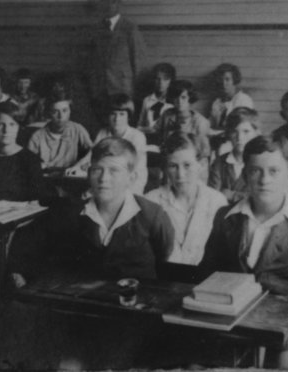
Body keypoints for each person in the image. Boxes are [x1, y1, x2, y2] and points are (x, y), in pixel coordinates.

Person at [200, 136, 288, 369]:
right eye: (255, 171)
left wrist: (284, 326)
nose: (264, 180)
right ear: (245, 176)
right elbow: (207, 275)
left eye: (274, 171)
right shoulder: (225, 218)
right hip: (234, 323)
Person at [51, 137, 174, 280]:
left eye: (114, 170)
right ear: (89, 173)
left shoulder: (152, 215)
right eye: (97, 169)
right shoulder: (72, 214)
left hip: (137, 297)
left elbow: (163, 255)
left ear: (131, 178)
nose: (104, 178)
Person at [145, 132, 227, 265]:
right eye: (173, 166)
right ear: (165, 168)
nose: (180, 175)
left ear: (202, 164)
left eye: (187, 165)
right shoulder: (151, 201)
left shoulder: (217, 202)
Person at [86, 0, 146, 119]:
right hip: (100, 91)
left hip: (123, 90)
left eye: (113, 1)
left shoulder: (130, 28)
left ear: (119, 3)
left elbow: (139, 62)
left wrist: (135, 93)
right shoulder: (96, 29)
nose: (109, 5)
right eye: (105, 1)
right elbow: (91, 62)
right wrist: (94, 87)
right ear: (101, 3)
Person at [84, 93, 148, 193]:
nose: (117, 119)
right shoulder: (103, 132)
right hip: (108, 180)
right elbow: (90, 157)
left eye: (122, 114)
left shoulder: (137, 136)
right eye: (113, 114)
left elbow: (138, 170)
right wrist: (76, 167)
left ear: (129, 117)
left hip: (131, 184)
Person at [27, 95, 92, 171]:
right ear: (49, 114)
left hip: (70, 175)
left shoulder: (77, 129)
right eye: (55, 112)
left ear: (70, 111)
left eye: (65, 110)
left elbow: (94, 150)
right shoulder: (37, 136)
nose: (61, 116)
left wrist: (80, 165)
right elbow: (28, 162)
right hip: (46, 176)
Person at [208, 107, 260, 202]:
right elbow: (212, 197)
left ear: (256, 133)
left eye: (246, 131)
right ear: (228, 134)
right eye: (234, 132)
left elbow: (259, 198)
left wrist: (230, 194)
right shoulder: (219, 163)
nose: (239, 137)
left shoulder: (260, 163)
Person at [152, 80, 211, 163]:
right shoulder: (167, 114)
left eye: (183, 97)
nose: (179, 101)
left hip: (190, 161)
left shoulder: (200, 122)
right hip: (168, 159)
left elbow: (205, 153)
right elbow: (158, 135)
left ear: (190, 98)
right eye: (176, 97)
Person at [209, 63, 254, 132]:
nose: (223, 83)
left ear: (234, 80)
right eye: (221, 80)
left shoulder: (244, 100)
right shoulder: (217, 102)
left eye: (227, 79)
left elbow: (242, 127)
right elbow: (210, 124)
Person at [138, 62, 175, 132]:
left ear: (170, 81)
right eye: (158, 79)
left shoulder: (173, 102)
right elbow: (140, 125)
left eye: (165, 79)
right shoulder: (147, 100)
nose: (161, 83)